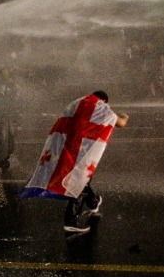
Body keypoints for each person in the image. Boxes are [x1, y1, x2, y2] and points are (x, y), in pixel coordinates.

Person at [20, 90, 128, 233]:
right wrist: (124, 117)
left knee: (83, 180)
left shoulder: (77, 103)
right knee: (79, 181)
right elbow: (120, 123)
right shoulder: (100, 106)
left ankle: (93, 202)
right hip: (82, 151)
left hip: (67, 149)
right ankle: (70, 222)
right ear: (104, 100)